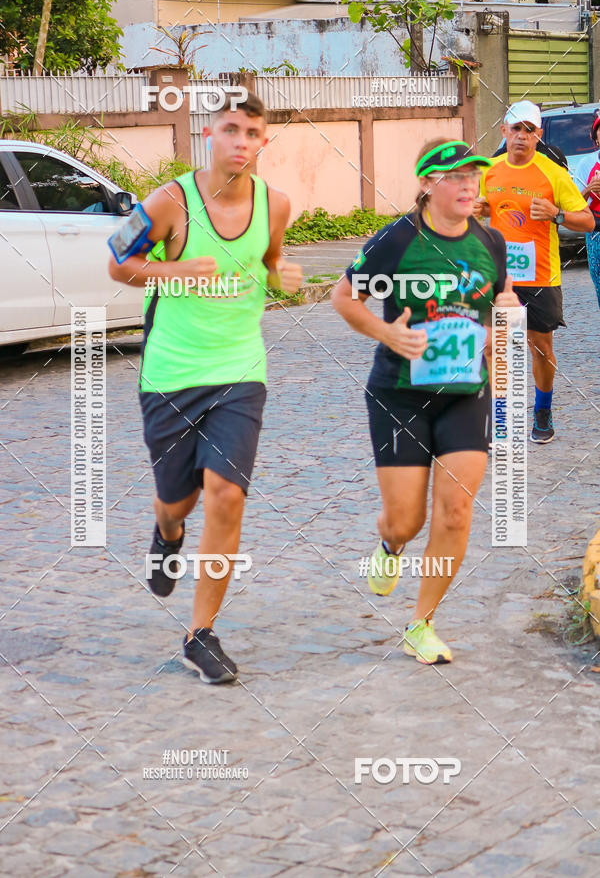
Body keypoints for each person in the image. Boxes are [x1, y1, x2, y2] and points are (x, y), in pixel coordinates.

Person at [108, 91, 303, 683]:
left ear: (264, 142)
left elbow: (269, 260)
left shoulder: (275, 204)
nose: (241, 142)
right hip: (169, 374)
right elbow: (119, 261)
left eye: (252, 133)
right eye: (231, 130)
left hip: (240, 372)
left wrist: (281, 273)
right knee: (179, 502)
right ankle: (166, 535)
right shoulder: (171, 201)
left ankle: (201, 634)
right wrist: (175, 268)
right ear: (209, 135)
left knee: (226, 493)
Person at [332, 139, 521, 665]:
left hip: (465, 392)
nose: (468, 185)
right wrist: (387, 334)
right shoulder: (396, 241)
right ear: (427, 184)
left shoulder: (490, 240)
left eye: (473, 176)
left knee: (457, 511)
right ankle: (390, 545)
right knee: (405, 519)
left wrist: (504, 308)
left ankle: (423, 623)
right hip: (400, 393)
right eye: (456, 176)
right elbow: (344, 297)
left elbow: (500, 302)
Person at [476, 100, 594, 444]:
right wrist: (476, 209)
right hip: (500, 277)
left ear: (539, 135)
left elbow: (587, 220)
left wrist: (557, 214)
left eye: (529, 130)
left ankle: (543, 410)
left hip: (541, 276)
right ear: (504, 132)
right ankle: (498, 419)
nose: (522, 136)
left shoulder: (553, 172)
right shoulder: (489, 169)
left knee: (540, 348)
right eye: (516, 129)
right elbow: (472, 208)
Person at [573, 111, 600, 308]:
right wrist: (588, 189)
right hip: (595, 234)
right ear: (596, 138)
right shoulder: (586, 163)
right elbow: (573, 204)